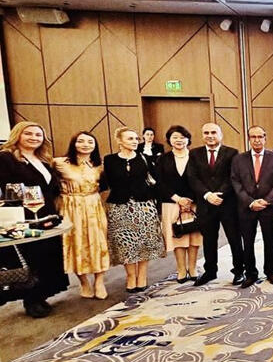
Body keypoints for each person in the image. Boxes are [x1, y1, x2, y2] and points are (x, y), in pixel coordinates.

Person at [0, 122, 68, 318]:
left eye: (38, 135)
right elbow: (6, 188)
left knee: (48, 255)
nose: (34, 137)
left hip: (46, 213)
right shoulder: (6, 158)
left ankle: (41, 295)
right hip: (23, 216)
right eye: (28, 133)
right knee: (30, 257)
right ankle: (31, 299)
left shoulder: (43, 160)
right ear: (17, 135)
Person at [104, 126, 165, 292]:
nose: (135, 141)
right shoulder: (109, 160)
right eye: (130, 138)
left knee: (145, 240)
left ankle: (142, 275)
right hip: (119, 206)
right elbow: (107, 182)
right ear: (119, 141)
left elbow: (154, 180)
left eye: (136, 138)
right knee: (125, 243)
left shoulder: (144, 157)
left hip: (143, 205)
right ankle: (131, 276)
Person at [54, 131, 110, 300]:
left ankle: (99, 281)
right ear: (74, 143)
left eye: (90, 142)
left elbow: (105, 188)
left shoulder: (99, 165)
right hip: (71, 207)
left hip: (93, 206)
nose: (85, 145)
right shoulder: (59, 163)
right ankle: (84, 281)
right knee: (75, 243)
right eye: (81, 141)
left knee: (99, 243)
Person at [187, 123, 243, 286]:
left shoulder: (232, 153)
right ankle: (210, 271)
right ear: (202, 135)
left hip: (227, 204)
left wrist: (219, 194)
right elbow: (192, 178)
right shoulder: (194, 153)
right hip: (206, 204)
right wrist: (207, 195)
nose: (210, 135)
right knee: (209, 240)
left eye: (213, 132)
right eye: (206, 133)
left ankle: (239, 271)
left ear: (220, 135)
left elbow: (233, 177)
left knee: (234, 239)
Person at [231, 125, 273, 287]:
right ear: (249, 139)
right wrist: (250, 202)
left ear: (265, 138)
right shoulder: (238, 159)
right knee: (248, 242)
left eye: (260, 136)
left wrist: (267, 200)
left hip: (269, 207)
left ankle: (271, 272)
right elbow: (235, 182)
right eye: (253, 137)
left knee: (270, 241)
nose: (257, 140)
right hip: (246, 208)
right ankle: (251, 274)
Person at [157, 125, 201, 283]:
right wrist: (178, 199)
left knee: (194, 236)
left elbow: (202, 179)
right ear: (169, 140)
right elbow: (160, 182)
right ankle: (181, 269)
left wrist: (189, 200)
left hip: (194, 203)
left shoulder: (196, 157)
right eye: (175, 137)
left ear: (188, 139)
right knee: (178, 236)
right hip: (172, 203)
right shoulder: (163, 159)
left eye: (182, 137)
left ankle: (193, 267)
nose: (179, 140)